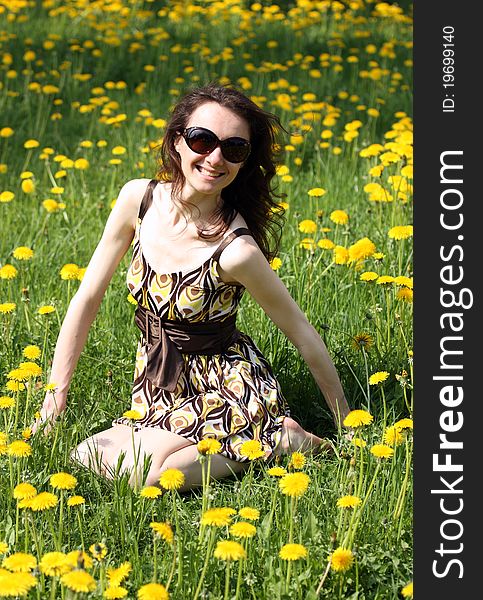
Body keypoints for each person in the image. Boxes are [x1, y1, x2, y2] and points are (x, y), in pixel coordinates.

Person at [33, 83, 350, 492]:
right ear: (177, 142)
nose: (215, 158)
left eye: (234, 149)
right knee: (84, 456)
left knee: (151, 478)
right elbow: (87, 298)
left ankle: (279, 440)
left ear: (244, 162)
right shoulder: (139, 201)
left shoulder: (236, 251)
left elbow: (303, 335)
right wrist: (52, 405)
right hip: (160, 380)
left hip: (226, 386)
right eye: (202, 140)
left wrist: (348, 426)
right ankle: (272, 440)